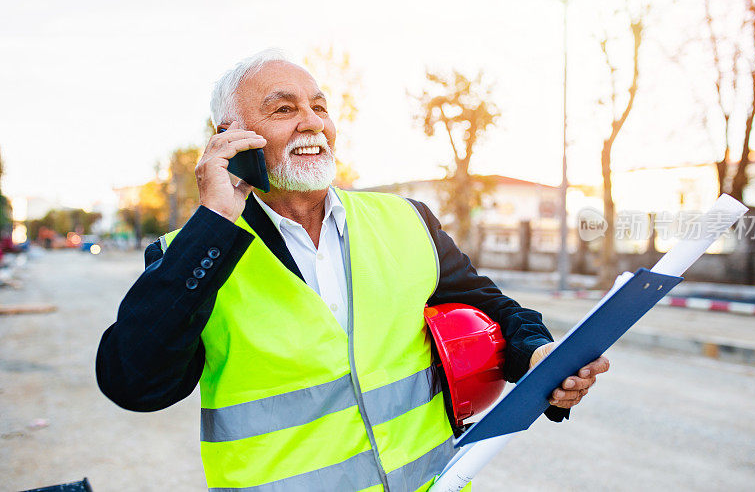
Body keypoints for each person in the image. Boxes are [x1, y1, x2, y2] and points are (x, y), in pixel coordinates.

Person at [96, 49, 610, 492]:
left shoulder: (406, 221)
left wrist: (540, 356)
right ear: (230, 137)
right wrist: (213, 225)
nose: (313, 122)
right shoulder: (190, 254)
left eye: (320, 107)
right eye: (284, 109)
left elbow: (495, 310)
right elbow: (136, 384)